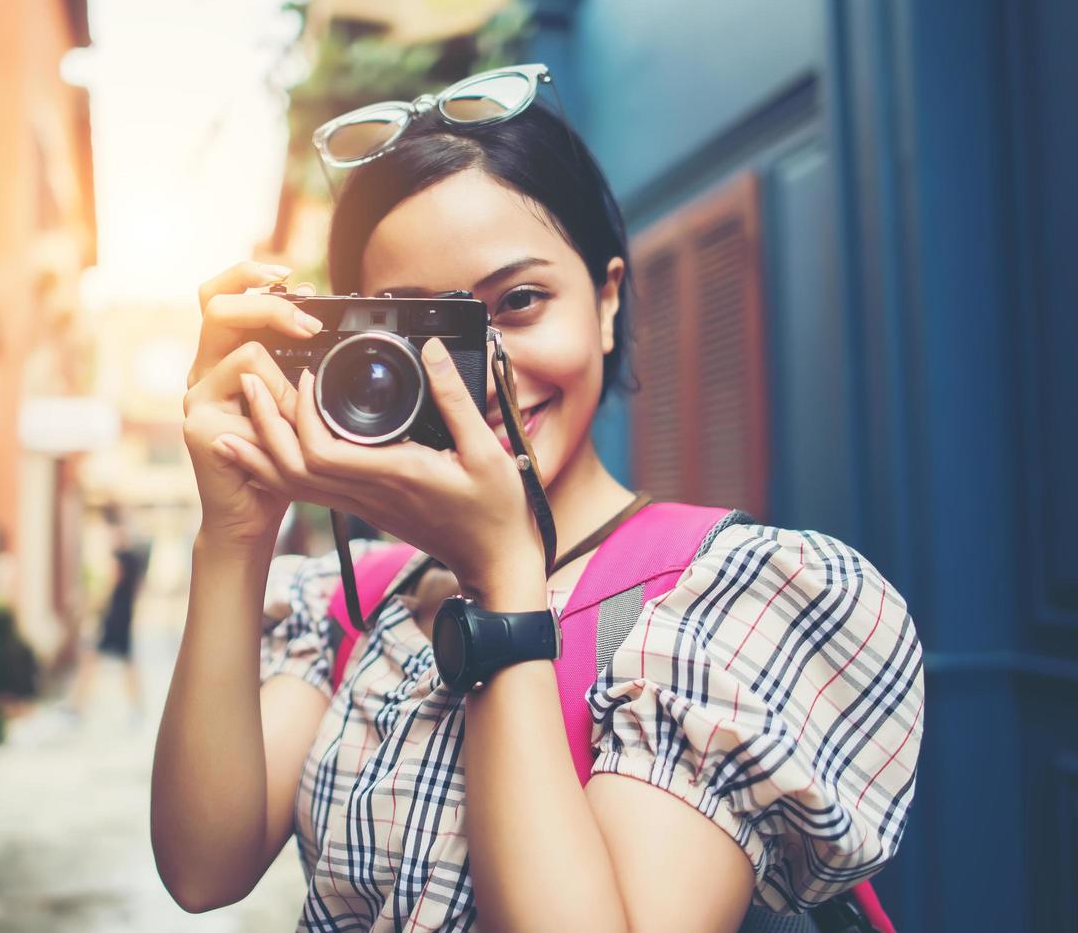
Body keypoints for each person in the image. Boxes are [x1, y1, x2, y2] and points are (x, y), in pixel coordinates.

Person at [154, 64, 923, 931]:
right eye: (422, 332)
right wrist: (235, 530)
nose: (475, 376)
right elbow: (201, 869)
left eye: (517, 304)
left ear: (604, 300)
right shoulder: (351, 602)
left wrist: (503, 584)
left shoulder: (727, 604)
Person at [68, 504, 149, 721]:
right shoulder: (133, 557)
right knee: (121, 661)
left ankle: (79, 705)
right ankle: (134, 705)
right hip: (122, 616)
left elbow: (108, 585)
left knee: (91, 657)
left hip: (114, 617)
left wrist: (92, 608)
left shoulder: (121, 558)